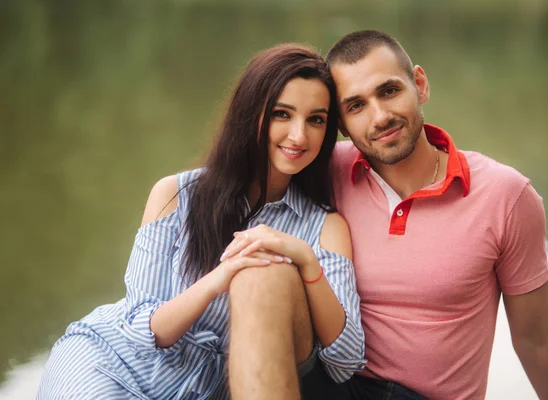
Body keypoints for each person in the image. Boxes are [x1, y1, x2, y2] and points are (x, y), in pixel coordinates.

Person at [37, 43, 366, 400]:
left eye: (316, 120)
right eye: (281, 114)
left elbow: (346, 361)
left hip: (206, 390)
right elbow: (139, 327)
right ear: (251, 113)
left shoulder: (325, 227)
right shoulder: (176, 195)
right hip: (112, 365)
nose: (299, 136)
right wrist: (217, 280)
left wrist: (306, 261)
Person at [323, 30, 548, 399]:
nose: (379, 117)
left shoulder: (505, 196)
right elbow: (230, 178)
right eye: (356, 106)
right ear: (341, 125)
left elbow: (536, 338)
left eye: (389, 91)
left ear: (420, 84)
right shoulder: (322, 173)